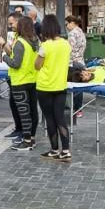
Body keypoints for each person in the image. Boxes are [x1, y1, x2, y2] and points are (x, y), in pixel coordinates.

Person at [0, 15, 39, 150]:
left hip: (20, 81)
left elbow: (15, 63)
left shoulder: (20, 42)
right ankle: (31, 138)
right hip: (32, 80)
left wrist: (4, 57)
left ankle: (26, 141)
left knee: (24, 112)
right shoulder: (34, 41)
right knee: (33, 111)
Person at [34, 14, 72, 162]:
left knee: (50, 118)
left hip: (45, 86)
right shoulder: (65, 44)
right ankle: (66, 150)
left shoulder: (45, 46)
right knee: (60, 118)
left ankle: (54, 149)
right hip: (60, 86)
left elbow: (37, 66)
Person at [66, 15, 87, 120]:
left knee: (72, 86)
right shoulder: (81, 32)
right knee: (79, 87)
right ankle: (79, 109)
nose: (66, 26)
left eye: (67, 24)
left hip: (72, 63)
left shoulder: (72, 33)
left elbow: (70, 49)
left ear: (72, 23)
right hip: (81, 61)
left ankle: (74, 109)